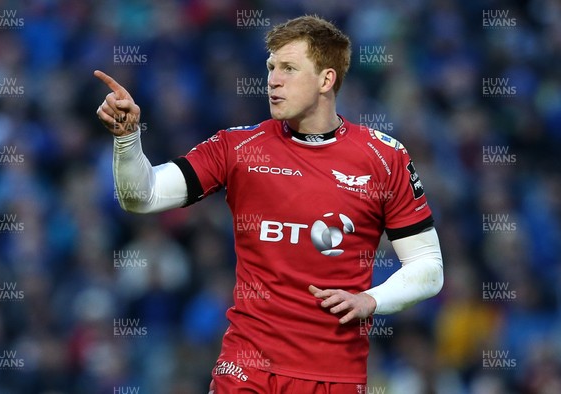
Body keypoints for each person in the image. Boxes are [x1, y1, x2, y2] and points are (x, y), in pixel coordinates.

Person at [95, 15, 443, 394]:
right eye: (271, 68)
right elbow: (141, 197)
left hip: (334, 375)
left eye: (289, 69)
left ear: (326, 80)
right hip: (245, 370)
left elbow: (428, 267)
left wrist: (371, 299)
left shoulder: (383, 157)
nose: (273, 80)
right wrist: (128, 138)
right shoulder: (238, 147)